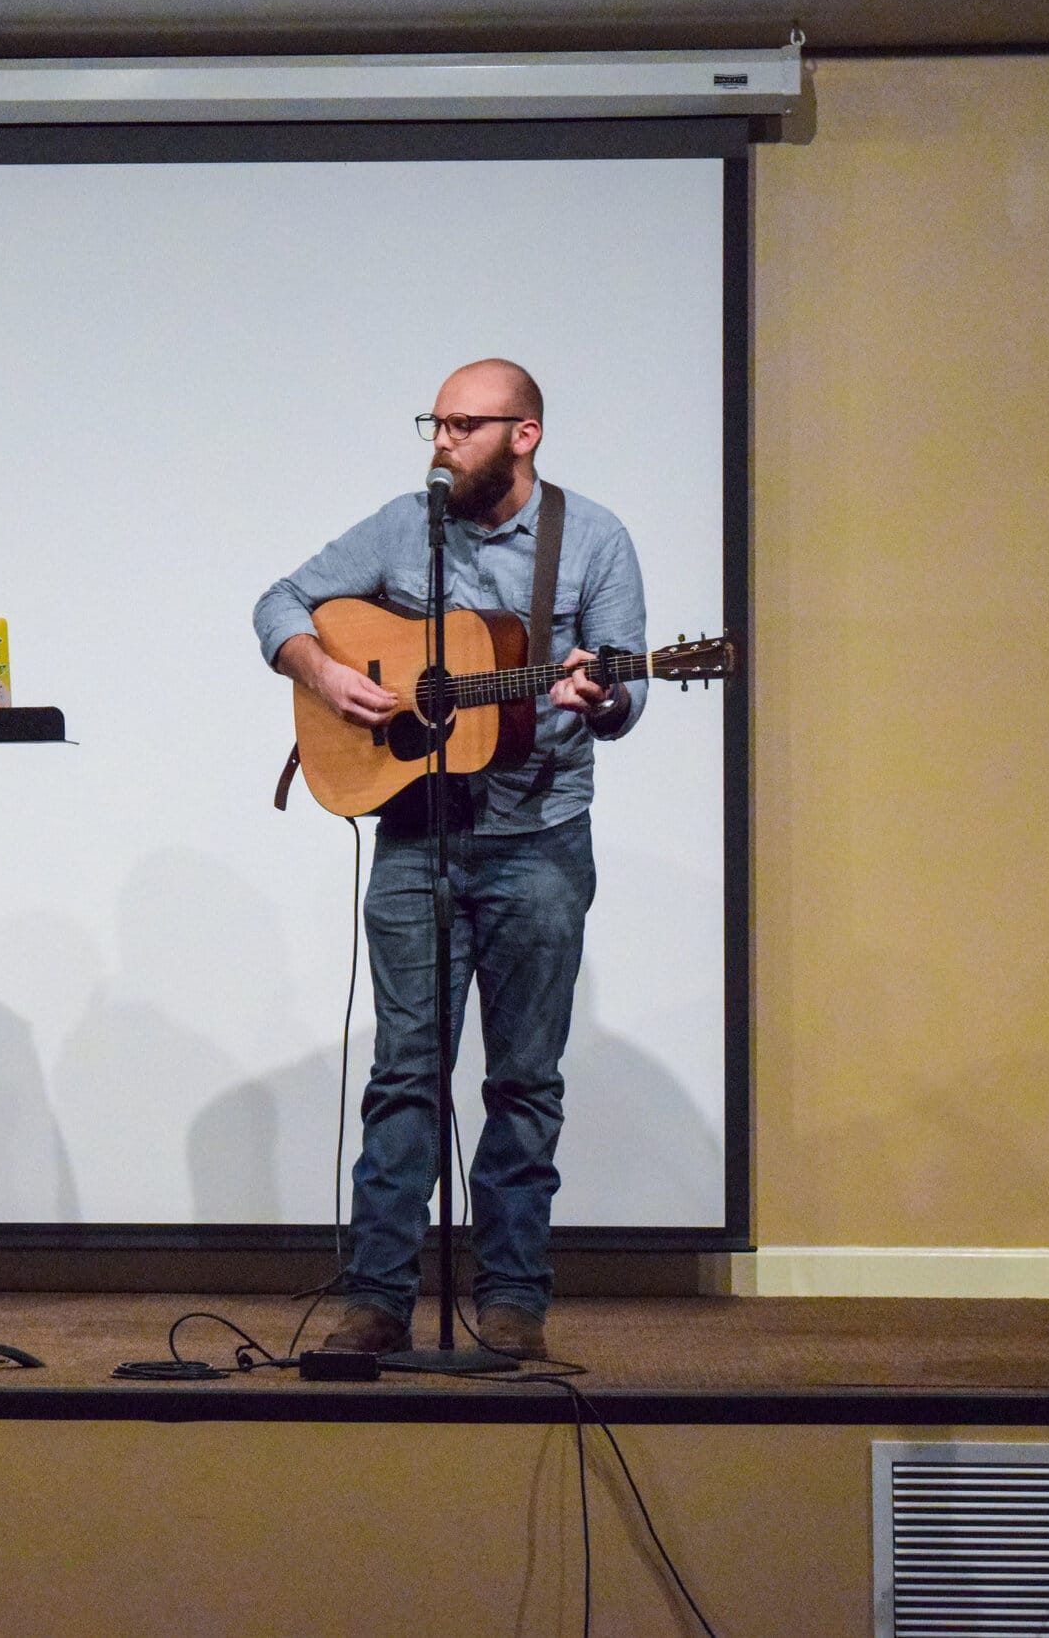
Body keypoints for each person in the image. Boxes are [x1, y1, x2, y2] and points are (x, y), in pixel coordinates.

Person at [251, 359, 646, 1360]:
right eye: (434, 422)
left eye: (464, 425)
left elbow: (625, 691)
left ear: (525, 434)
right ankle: (376, 1298)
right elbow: (280, 603)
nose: (440, 442)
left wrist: (601, 696)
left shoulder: (591, 539)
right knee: (402, 1074)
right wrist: (329, 673)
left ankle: (511, 1299)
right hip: (416, 835)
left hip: (539, 841)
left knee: (522, 1080)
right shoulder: (403, 525)